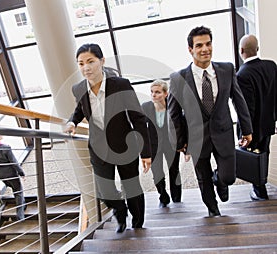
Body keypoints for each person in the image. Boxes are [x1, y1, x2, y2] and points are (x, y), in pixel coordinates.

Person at [65, 43, 151, 233]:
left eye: (90, 61)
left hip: (124, 146)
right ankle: (121, 214)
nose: (85, 67)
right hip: (98, 148)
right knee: (106, 192)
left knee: (132, 188)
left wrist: (146, 152)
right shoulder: (78, 88)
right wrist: (73, 121)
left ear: (102, 61)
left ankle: (138, 224)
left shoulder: (120, 85)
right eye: (80, 63)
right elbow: (80, 109)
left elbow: (137, 118)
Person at [167, 26, 253, 217]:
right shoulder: (178, 78)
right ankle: (213, 211)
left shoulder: (227, 69)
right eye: (199, 45)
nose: (205, 49)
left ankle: (220, 181)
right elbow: (173, 114)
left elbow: (238, 100)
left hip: (223, 132)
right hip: (196, 139)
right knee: (203, 179)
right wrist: (180, 143)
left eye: (208, 44)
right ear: (190, 49)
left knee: (229, 177)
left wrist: (246, 129)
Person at [237, 34, 277, 201]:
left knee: (253, 158)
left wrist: (244, 132)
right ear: (257, 48)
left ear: (241, 51)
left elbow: (247, 108)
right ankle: (262, 184)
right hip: (269, 121)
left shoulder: (242, 74)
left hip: (253, 127)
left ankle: (259, 191)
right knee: (264, 153)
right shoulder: (271, 66)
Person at [142, 79, 182, 208]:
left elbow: (181, 125)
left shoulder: (173, 106)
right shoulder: (146, 107)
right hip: (153, 145)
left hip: (171, 144)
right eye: (152, 92)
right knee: (157, 172)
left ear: (166, 94)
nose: (154, 95)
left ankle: (177, 197)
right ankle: (163, 196)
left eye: (158, 92)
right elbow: (141, 128)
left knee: (174, 170)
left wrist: (183, 144)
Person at [0, 134, 26, 221]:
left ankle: (23, 204)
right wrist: (21, 173)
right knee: (18, 191)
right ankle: (20, 216)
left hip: (1, 174)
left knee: (14, 188)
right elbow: (14, 162)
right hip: (10, 173)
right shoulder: (6, 147)